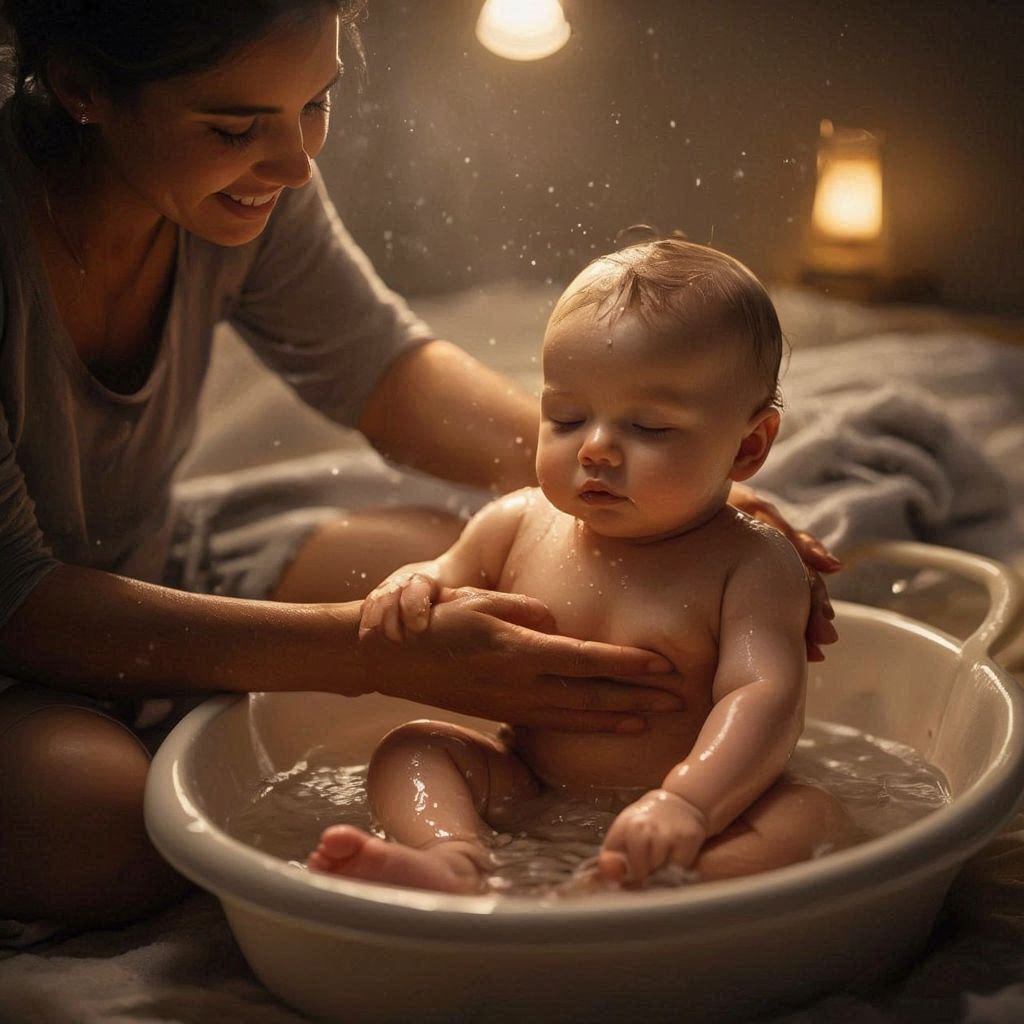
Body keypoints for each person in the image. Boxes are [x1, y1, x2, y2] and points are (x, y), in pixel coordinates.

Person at [0, 0, 838, 933]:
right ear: (82, 88)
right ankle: (448, 863)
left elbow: (385, 375)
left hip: (153, 550)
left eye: (316, 104)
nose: (296, 164)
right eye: (236, 126)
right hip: (25, 630)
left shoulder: (243, 183)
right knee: (108, 826)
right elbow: (15, 594)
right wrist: (372, 648)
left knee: (485, 577)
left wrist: (687, 490)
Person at [308, 239, 851, 893]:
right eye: (565, 417)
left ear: (749, 446)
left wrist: (689, 802)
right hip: (527, 785)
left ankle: (664, 884)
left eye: (649, 427)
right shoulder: (515, 523)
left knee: (809, 817)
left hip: (708, 809)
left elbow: (764, 695)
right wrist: (411, 583)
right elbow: (442, 574)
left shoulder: (753, 562)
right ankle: (452, 859)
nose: (594, 448)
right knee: (413, 748)